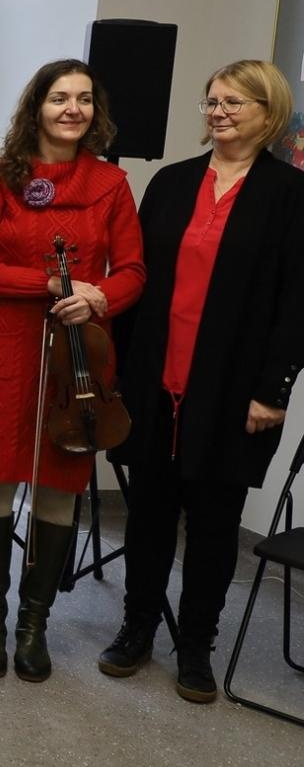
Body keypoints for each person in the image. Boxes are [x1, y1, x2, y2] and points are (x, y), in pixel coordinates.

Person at [99, 60, 304, 703]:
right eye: (211, 102)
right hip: (156, 376)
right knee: (150, 514)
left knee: (214, 522)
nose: (217, 113)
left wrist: (275, 391)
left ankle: (196, 645)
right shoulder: (171, 182)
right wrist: (118, 377)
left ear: (267, 113)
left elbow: (297, 301)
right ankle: (136, 630)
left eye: (233, 103)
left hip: (234, 387)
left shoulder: (291, 195)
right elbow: (136, 279)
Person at [0, 59, 145, 683]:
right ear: (35, 106)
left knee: (61, 481)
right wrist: (46, 283)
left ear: (97, 111)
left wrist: (96, 298)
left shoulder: (110, 185)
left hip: (79, 358)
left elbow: (133, 273)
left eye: (85, 99)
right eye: (60, 97)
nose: (73, 109)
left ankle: (33, 626)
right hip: (5, 347)